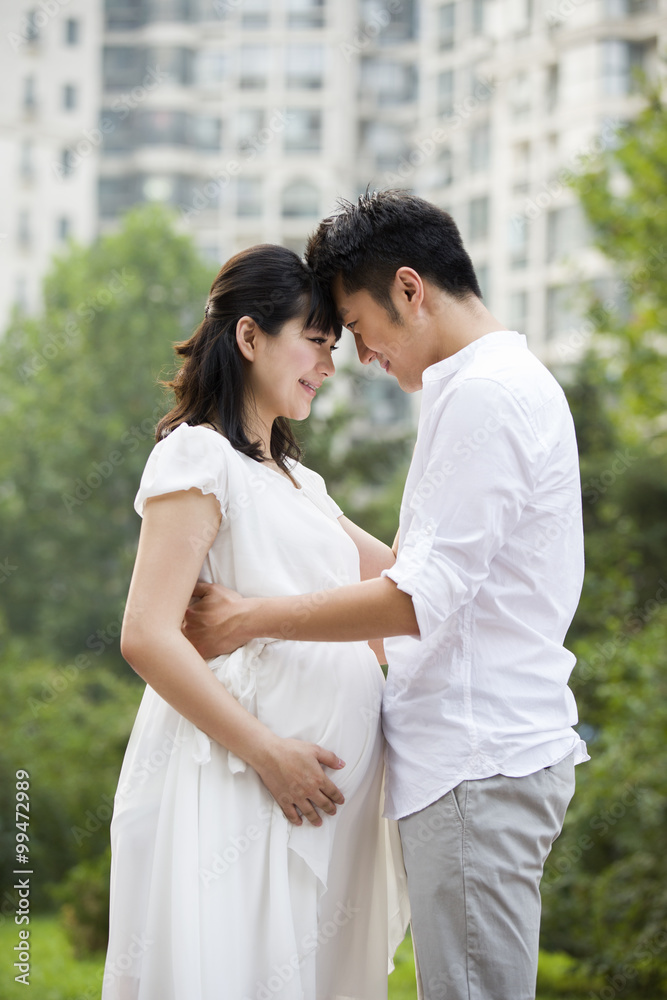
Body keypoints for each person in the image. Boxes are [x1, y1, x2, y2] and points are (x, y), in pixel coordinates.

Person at [183, 191, 590, 1000]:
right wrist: (300, 504)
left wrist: (245, 619)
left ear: (410, 288)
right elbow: (409, 566)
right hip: (475, 760)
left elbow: (413, 599)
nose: (360, 357)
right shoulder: (480, 386)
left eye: (358, 329)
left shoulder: (485, 396)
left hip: (476, 759)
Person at [102, 243, 409, 1000]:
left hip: (318, 809)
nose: (328, 366)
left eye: (334, 347)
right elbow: (145, 633)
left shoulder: (299, 480)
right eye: (315, 340)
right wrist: (269, 753)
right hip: (241, 783)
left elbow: (405, 575)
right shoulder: (197, 459)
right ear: (248, 337)